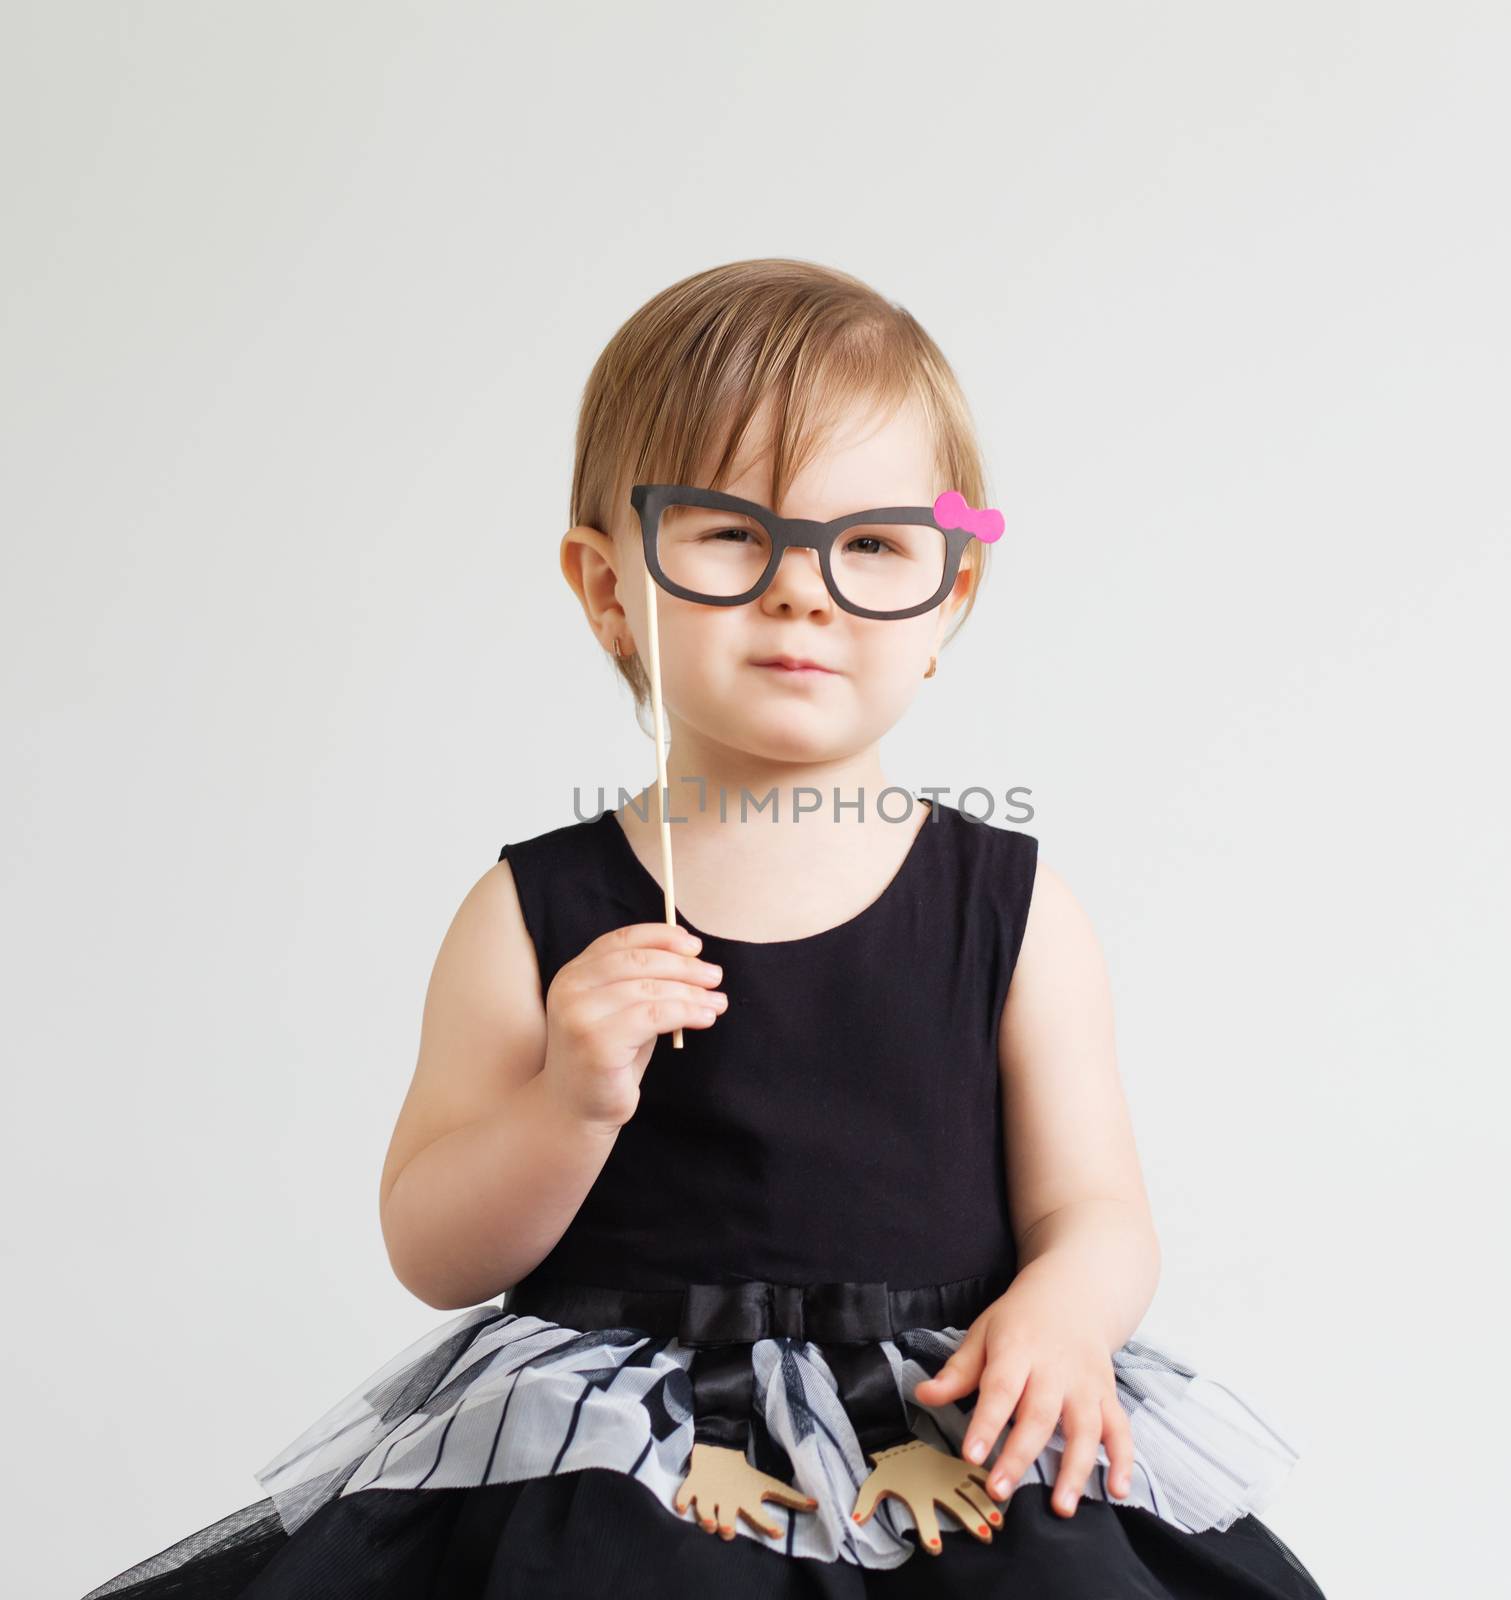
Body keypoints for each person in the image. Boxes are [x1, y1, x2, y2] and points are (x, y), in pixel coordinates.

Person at [81, 258, 1326, 1597]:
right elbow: (433, 1249)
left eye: (872, 545)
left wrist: (1066, 1313)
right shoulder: (532, 914)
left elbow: (1097, 1208)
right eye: (731, 532)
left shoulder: (1013, 913)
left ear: (947, 597)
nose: (805, 591)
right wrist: (567, 1100)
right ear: (609, 584)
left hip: (943, 1414)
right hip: (630, 1451)